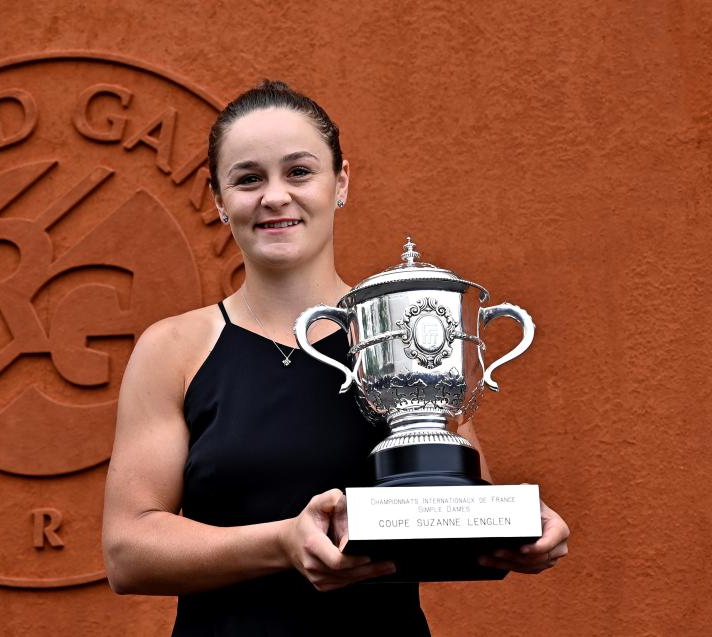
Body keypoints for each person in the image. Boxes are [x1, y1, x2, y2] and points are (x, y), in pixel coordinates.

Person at [102, 80, 570, 636]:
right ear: (219, 200)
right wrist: (281, 543)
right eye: (249, 179)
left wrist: (524, 532)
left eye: (299, 171)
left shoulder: (408, 333)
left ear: (340, 181)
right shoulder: (174, 348)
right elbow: (128, 551)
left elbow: (460, 508)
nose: (275, 196)